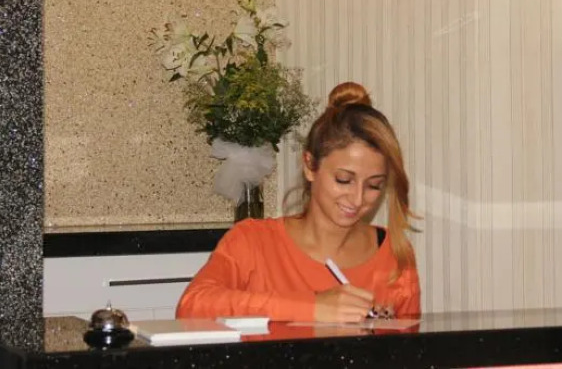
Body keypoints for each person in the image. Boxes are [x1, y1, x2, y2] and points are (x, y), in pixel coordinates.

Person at [175, 82, 420, 322]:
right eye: (344, 180)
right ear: (310, 166)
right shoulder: (253, 242)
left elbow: (412, 344)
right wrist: (312, 307)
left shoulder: (395, 254)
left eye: (374, 185)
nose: (357, 199)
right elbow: (192, 306)